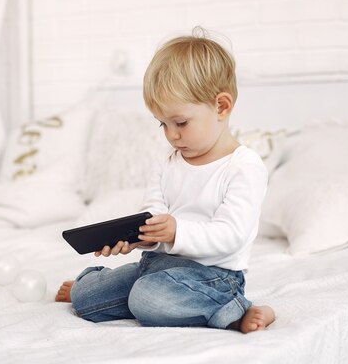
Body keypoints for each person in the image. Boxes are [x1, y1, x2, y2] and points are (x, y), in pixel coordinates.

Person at [56, 28, 275, 332]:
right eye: (163, 124)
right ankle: (93, 288)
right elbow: (155, 209)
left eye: (181, 123)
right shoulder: (169, 161)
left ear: (221, 107)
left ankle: (234, 308)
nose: (171, 135)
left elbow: (231, 235)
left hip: (213, 276)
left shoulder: (244, 166)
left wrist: (176, 232)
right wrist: (142, 235)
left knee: (149, 299)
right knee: (85, 298)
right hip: (155, 266)